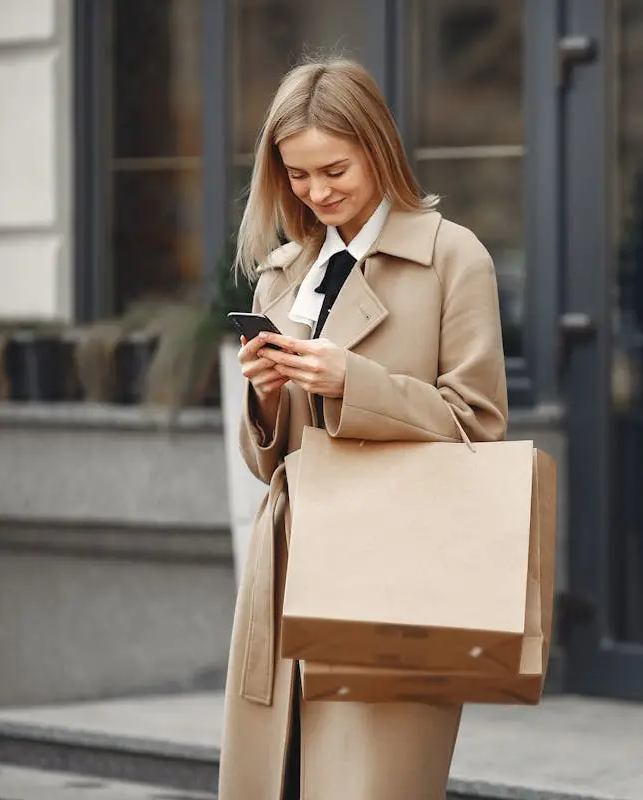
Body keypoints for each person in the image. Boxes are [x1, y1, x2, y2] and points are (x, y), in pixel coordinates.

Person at [218, 55, 508, 800]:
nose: (317, 193)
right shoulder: (283, 273)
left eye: (334, 170)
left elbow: (478, 425)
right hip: (289, 567)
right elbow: (271, 466)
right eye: (297, 176)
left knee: (372, 783)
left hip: (394, 572)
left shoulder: (450, 257)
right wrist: (270, 400)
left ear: (378, 147)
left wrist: (355, 383)